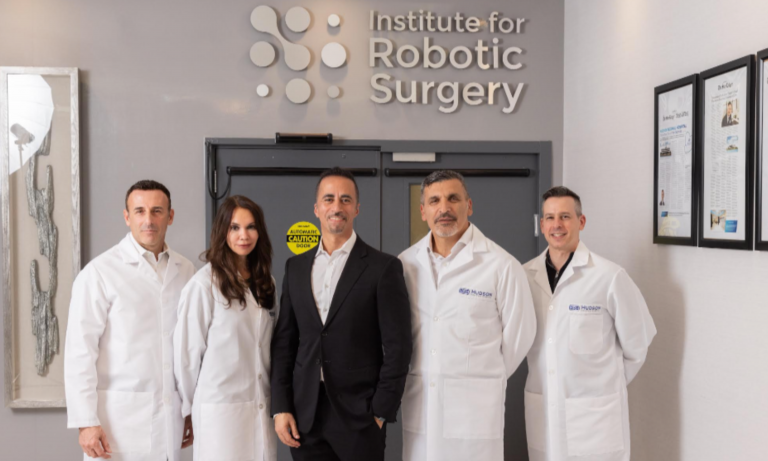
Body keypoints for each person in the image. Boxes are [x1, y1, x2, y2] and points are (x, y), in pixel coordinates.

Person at [271, 167, 412, 461]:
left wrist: (381, 411)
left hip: (361, 417)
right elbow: (285, 343)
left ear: (357, 208)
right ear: (316, 209)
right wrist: (281, 406)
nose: (337, 207)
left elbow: (398, 346)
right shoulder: (295, 268)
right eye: (329, 199)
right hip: (305, 416)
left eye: (346, 199)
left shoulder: (383, 268)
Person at [398, 170, 536, 461]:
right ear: (423, 211)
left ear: (469, 205)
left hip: (475, 410)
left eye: (453, 198)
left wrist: (480, 376)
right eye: (434, 201)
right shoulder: (406, 263)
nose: (444, 208)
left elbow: (520, 337)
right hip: (422, 406)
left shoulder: (501, 265)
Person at [523, 186, 657, 461]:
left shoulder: (609, 276)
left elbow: (638, 344)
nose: (557, 225)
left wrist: (603, 386)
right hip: (544, 409)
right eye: (550, 218)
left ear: (581, 221)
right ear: (542, 224)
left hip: (596, 421)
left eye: (565, 217)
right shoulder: (525, 276)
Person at [65, 180, 196, 461]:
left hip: (170, 418)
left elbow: (189, 348)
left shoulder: (186, 271)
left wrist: (189, 409)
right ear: (127, 217)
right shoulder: (99, 273)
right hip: (117, 423)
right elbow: (79, 352)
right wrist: (86, 421)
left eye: (157, 211)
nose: (148, 220)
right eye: (139, 211)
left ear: (170, 216)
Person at [174, 195, 277, 461]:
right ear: (222, 232)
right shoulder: (203, 285)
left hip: (260, 406)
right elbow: (187, 357)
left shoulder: (267, 282)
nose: (244, 235)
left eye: (251, 227)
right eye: (235, 227)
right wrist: (187, 409)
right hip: (219, 413)